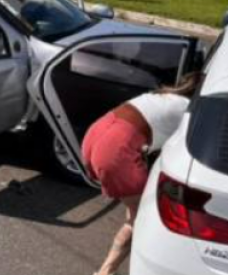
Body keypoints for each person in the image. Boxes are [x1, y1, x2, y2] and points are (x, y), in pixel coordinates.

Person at [83, 73, 202, 275]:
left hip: (95, 134)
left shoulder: (163, 95)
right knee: (142, 219)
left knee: (136, 212)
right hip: (115, 150)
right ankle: (106, 271)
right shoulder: (187, 110)